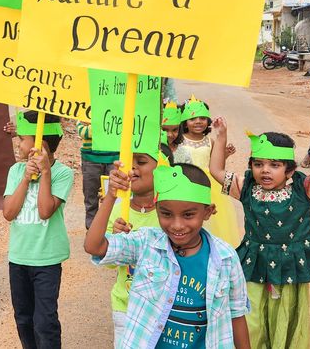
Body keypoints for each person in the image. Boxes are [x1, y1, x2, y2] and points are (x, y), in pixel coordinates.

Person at [210, 108, 310, 348]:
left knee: (285, 316)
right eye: (258, 164)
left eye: (274, 165)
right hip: (254, 263)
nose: (264, 170)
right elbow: (217, 171)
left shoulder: (303, 190)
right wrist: (220, 138)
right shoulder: (247, 188)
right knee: (250, 316)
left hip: (290, 267)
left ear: (290, 170)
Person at [85, 162, 250, 349]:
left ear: (207, 212)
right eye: (166, 214)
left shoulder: (226, 258)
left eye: (188, 215)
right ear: (157, 209)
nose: (177, 225)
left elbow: (236, 314)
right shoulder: (146, 243)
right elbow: (94, 246)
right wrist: (111, 197)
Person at [3, 111, 74, 349]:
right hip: (19, 258)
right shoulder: (15, 171)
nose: (18, 143)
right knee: (23, 319)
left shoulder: (63, 173)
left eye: (22, 138)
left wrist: (45, 172)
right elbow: (8, 213)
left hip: (47, 260)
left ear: (39, 144)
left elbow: (45, 210)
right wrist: (25, 178)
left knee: (45, 321)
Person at [106, 146, 173, 348]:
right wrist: (116, 241)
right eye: (129, 161)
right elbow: (106, 261)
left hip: (165, 309)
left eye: (141, 162)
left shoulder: (172, 214)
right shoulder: (119, 210)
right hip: (126, 308)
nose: (133, 167)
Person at [174, 96, 240, 247]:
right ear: (184, 122)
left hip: (209, 186)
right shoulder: (178, 141)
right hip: (187, 184)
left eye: (203, 118)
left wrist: (225, 154)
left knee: (211, 221)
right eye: (193, 118)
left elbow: (217, 166)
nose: (198, 122)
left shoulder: (210, 142)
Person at [76, 121, 119, 229]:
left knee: (115, 197)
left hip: (114, 158)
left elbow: (119, 130)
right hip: (90, 159)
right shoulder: (85, 110)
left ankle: (111, 229)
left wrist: (96, 127)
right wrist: (107, 128)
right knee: (90, 196)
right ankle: (91, 230)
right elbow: (83, 132)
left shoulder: (115, 109)